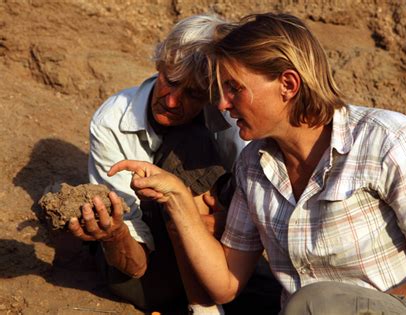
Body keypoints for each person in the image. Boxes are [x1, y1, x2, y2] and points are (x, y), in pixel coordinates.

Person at [109, 13, 406, 315]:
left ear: (288, 83)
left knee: (315, 302)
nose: (222, 104)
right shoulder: (254, 166)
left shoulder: (386, 141)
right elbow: (224, 284)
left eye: (234, 88)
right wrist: (176, 199)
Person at [68, 14, 280, 314]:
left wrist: (223, 223)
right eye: (171, 82)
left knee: (277, 299)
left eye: (193, 93)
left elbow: (254, 193)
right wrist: (114, 235)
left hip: (219, 247)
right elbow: (133, 251)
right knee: (187, 146)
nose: (171, 101)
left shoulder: (231, 117)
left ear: (212, 94)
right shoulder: (113, 122)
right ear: (160, 65)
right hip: (151, 269)